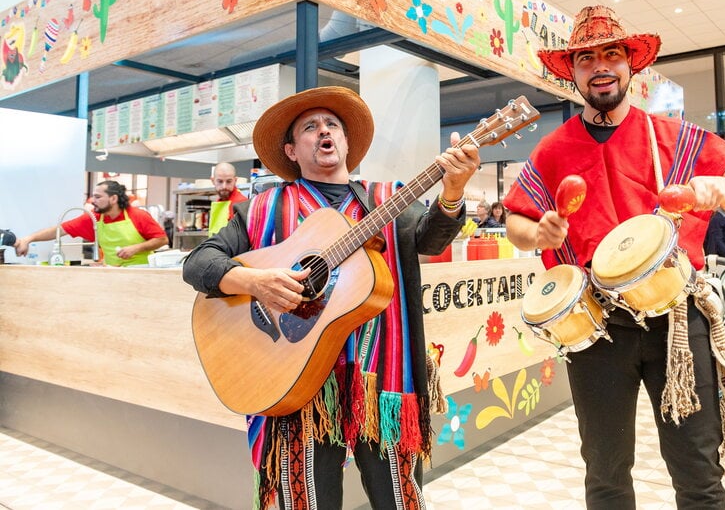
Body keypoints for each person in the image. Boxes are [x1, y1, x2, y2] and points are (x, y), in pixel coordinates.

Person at [503, 5, 725, 508]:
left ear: (629, 66)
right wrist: (540, 233)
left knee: (697, 472)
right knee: (604, 471)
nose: (600, 65)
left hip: (678, 321)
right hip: (595, 326)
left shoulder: (672, 138)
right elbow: (516, 221)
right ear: (572, 72)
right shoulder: (553, 150)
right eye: (586, 58)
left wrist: (719, 188)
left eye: (612, 53)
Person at [182, 86, 480, 509]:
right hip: (295, 378)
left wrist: (452, 193)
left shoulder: (387, 200)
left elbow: (430, 240)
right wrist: (256, 283)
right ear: (291, 149)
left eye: (333, 125)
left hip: (380, 381)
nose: (324, 131)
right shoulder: (264, 208)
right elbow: (199, 263)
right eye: (310, 127)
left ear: (344, 142)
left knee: (399, 499)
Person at [14, 180, 168, 266]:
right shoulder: (94, 218)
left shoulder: (138, 216)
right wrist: (28, 239)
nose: (93, 201)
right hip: (112, 273)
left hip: (140, 272)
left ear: (113, 199)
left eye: (98, 197)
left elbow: (162, 239)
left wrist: (136, 248)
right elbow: (60, 230)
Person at [207, 161, 248, 236]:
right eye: (220, 181)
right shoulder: (220, 201)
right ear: (213, 181)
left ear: (235, 180)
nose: (224, 186)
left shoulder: (240, 203)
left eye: (229, 181)